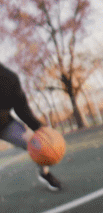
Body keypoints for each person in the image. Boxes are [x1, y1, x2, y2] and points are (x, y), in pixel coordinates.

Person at [0, 62, 62, 191]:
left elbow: (21, 108)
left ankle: (44, 174)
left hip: (4, 125)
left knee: (39, 145)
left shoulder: (10, 78)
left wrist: (40, 129)